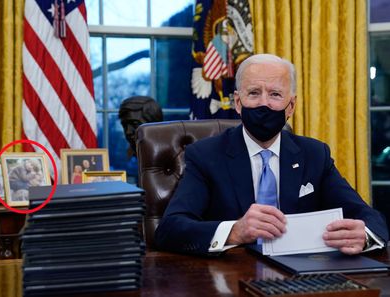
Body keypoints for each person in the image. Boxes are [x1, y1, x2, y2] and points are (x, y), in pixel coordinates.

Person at [155, 54, 389, 256]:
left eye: (275, 94)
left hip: (300, 278)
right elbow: (170, 229)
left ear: (291, 106)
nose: (263, 104)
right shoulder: (205, 155)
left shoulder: (314, 154)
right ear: (238, 102)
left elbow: (368, 216)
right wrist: (235, 231)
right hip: (231, 277)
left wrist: (365, 236)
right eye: (254, 93)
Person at [118, 96, 163, 183]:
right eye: (124, 125)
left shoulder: (174, 159)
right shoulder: (123, 160)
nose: (128, 132)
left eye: (135, 124)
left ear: (154, 124)